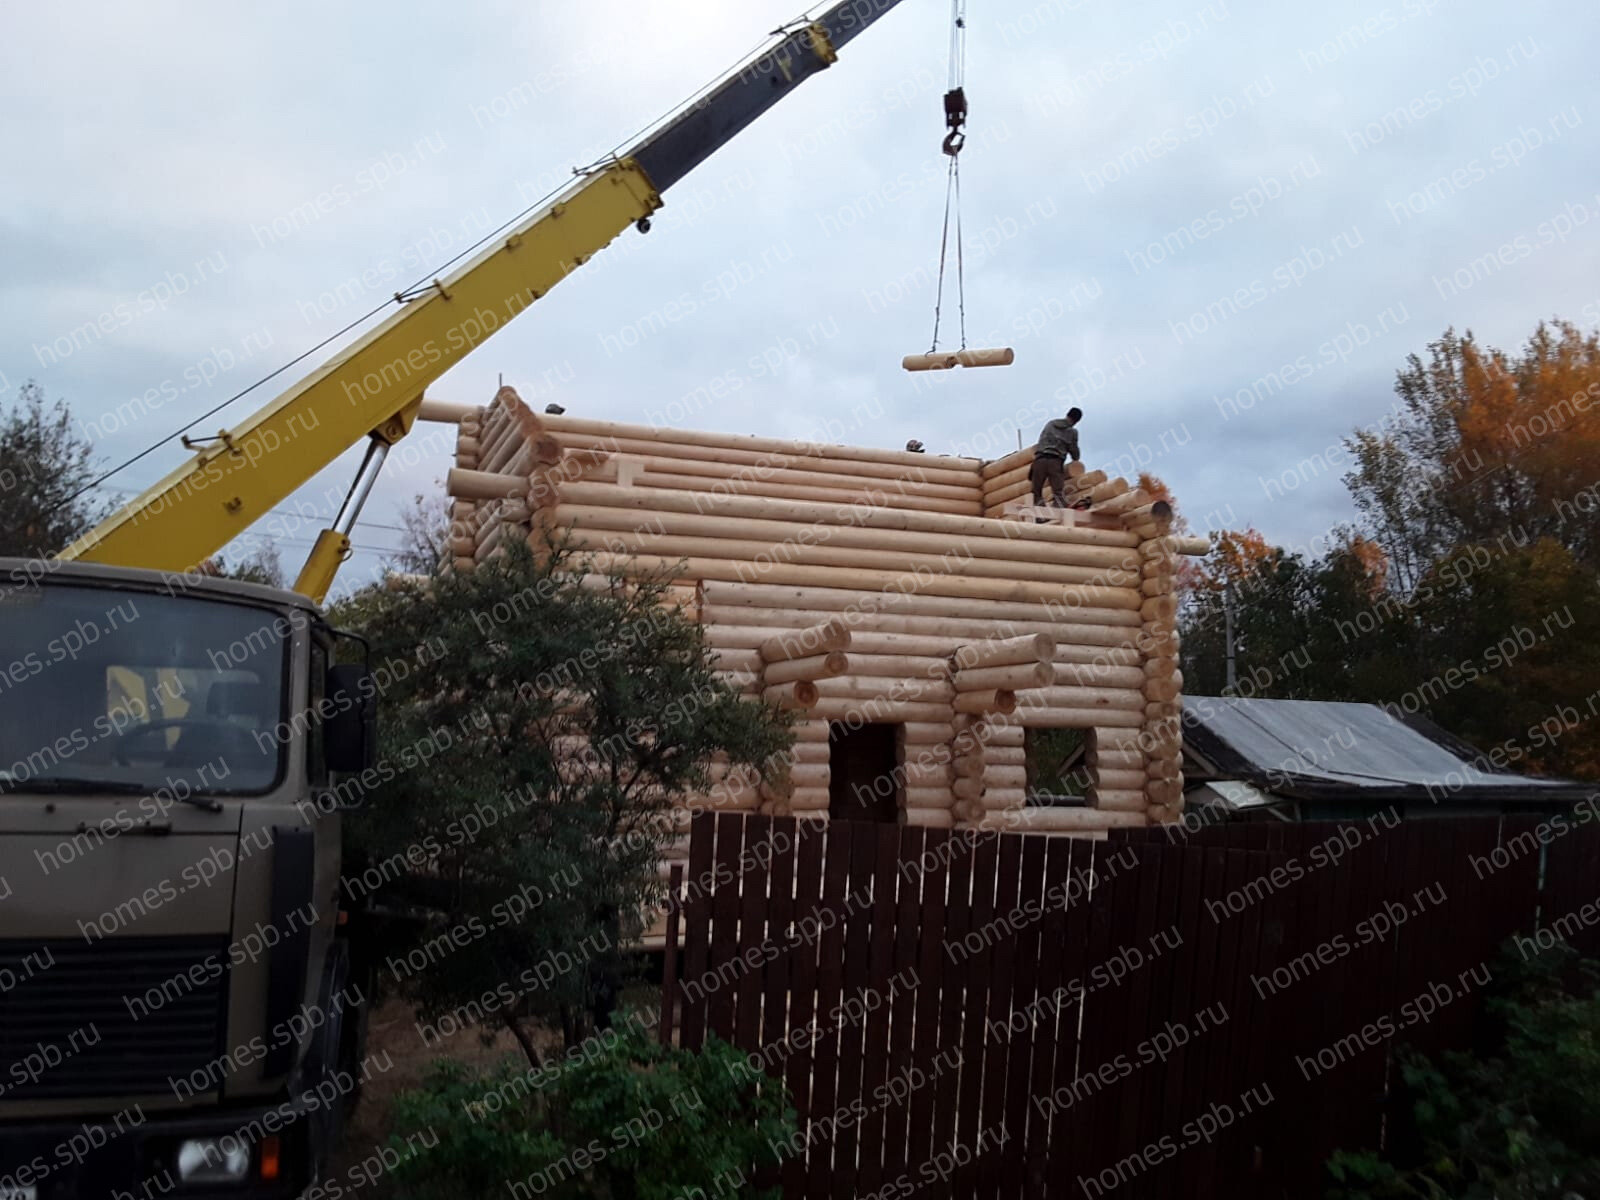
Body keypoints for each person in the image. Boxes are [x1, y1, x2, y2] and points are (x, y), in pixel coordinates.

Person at [1029, 407, 1082, 508]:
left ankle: (1040, 516)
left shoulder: (1051, 424)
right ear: (1077, 421)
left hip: (1040, 460)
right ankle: (1059, 513)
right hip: (1055, 462)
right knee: (1058, 493)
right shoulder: (1072, 432)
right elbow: (1075, 453)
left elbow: (1041, 441)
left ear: (1067, 414)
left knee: (1036, 492)